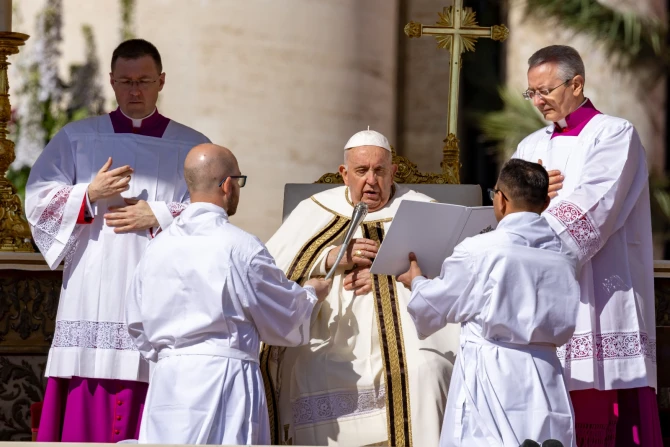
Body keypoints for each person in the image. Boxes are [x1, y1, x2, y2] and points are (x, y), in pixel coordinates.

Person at [25, 39, 210, 442]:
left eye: (144, 80)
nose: (135, 90)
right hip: (92, 289)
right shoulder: (77, 138)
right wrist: (88, 194)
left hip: (160, 293)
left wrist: (160, 214)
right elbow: (38, 201)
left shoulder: (193, 145)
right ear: (111, 81)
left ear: (161, 81)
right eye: (125, 81)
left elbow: (213, 211)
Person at [260, 129, 460, 446]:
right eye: (361, 171)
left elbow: (451, 275)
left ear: (393, 172)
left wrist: (386, 278)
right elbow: (270, 274)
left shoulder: (423, 209)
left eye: (379, 171)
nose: (371, 181)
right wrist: (330, 258)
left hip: (409, 330)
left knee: (427, 370)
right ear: (344, 173)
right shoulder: (315, 209)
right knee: (309, 369)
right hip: (331, 331)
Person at [124, 144, 332, 444]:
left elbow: (136, 324)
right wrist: (311, 293)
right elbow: (283, 315)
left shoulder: (156, 248)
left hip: (168, 384)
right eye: (239, 181)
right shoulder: (240, 246)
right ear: (227, 185)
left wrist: (174, 355)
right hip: (224, 380)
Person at [512, 45, 662, 446]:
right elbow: (506, 205)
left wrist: (527, 241)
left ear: (576, 84)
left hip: (600, 292)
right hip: (540, 296)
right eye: (531, 93)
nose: (537, 101)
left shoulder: (614, 134)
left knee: (601, 409)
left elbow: (597, 206)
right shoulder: (528, 147)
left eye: (545, 91)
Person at [399, 158, 580, 447]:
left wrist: (417, 281)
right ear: (546, 202)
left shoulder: (479, 250)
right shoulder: (566, 255)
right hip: (546, 376)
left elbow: (433, 305)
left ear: (501, 199)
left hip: (493, 376)